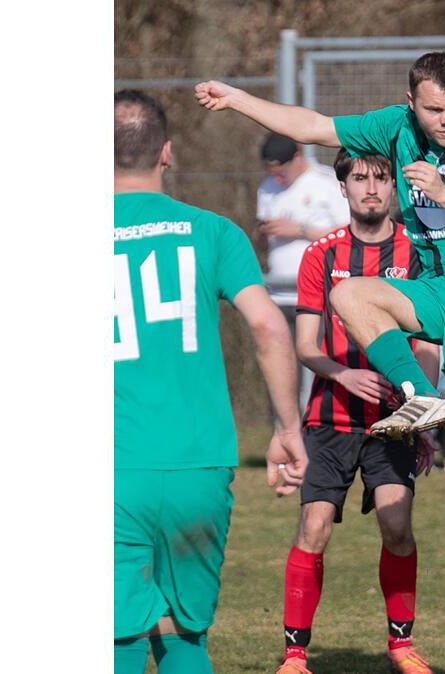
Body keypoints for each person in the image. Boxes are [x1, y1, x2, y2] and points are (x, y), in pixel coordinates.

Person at [195, 51, 445, 508]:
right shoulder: (395, 126)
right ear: (411, 102)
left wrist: (443, 193)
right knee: (348, 294)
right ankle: (423, 396)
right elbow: (314, 127)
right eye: (434, 110)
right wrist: (238, 99)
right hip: (437, 285)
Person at [114, 89, 308, 674]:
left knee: (115, 637)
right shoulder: (215, 232)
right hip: (200, 462)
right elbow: (270, 329)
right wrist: (287, 428)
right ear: (167, 153)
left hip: (113, 466)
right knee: (182, 636)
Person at [277, 149, 440, 674]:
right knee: (315, 525)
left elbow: (429, 345)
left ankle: (401, 646)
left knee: (397, 525)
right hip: (330, 417)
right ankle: (296, 655)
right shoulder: (319, 255)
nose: (371, 188)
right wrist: (342, 373)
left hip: (393, 419)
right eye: (359, 179)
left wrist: (425, 413)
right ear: (342, 187)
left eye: (381, 178)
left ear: (393, 187)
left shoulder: (418, 255)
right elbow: (305, 345)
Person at [256, 133, 350, 409]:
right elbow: (260, 234)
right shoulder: (267, 188)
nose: (278, 179)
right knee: (280, 372)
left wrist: (300, 230)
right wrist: (263, 231)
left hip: (315, 295)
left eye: (282, 172)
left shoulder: (326, 183)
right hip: (278, 295)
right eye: (272, 173)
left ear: (297, 157)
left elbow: (346, 234)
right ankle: (285, 433)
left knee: (316, 371)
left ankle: (314, 435)